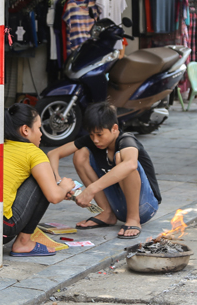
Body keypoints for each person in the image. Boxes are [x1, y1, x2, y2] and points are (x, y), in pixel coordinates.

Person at [0, 103, 75, 256]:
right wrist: (64, 187)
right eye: (38, 128)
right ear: (25, 130)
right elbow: (54, 196)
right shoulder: (33, 152)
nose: (41, 134)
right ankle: (23, 243)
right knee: (41, 181)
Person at [47, 101, 161, 239]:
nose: (95, 140)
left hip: (144, 207)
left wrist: (91, 189)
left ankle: (133, 219)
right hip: (118, 207)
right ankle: (107, 213)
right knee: (80, 154)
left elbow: (131, 164)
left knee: (122, 159)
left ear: (114, 128)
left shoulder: (126, 140)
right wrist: (58, 182)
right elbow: (53, 154)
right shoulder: (94, 141)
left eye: (99, 134)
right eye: (91, 135)